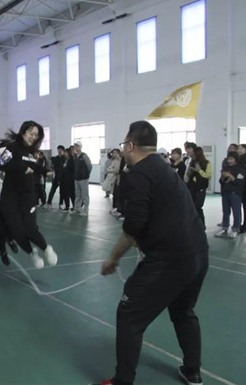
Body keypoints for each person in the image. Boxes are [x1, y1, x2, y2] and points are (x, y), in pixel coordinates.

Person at [98, 121, 209, 385]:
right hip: (198, 254)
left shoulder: (138, 173)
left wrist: (113, 258)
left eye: (124, 144)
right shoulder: (163, 167)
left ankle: (123, 381)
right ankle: (192, 371)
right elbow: (160, 211)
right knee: (183, 312)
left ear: (130, 145)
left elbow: (133, 225)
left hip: (169, 260)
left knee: (129, 314)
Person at [0, 121, 58, 269]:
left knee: (30, 229)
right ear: (23, 132)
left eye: (36, 135)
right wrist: (22, 168)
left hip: (28, 195)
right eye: (31, 133)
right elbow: (2, 164)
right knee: (17, 230)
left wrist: (45, 171)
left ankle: (46, 249)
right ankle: (32, 253)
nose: (33, 137)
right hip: (10, 195)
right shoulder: (12, 148)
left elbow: (34, 166)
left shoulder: (31, 152)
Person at [215, 151, 244, 238]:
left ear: (236, 159)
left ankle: (235, 228)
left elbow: (239, 182)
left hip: (235, 193)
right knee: (225, 212)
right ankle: (225, 228)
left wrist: (230, 176)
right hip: (226, 192)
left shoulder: (241, 169)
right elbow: (221, 181)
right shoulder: (226, 168)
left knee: (236, 212)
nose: (229, 161)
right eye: (228, 159)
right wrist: (223, 177)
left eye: (231, 159)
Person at [186, 147, 212, 228]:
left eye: (193, 154)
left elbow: (208, 176)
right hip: (191, 187)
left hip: (200, 188)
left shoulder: (207, 163)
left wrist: (199, 170)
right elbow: (188, 175)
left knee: (198, 206)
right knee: (191, 206)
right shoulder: (192, 162)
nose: (192, 155)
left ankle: (202, 226)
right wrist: (190, 170)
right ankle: (192, 225)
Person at [72, 140, 92, 216]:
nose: (76, 147)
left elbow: (89, 166)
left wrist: (86, 175)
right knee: (78, 195)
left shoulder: (84, 156)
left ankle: (85, 211)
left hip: (83, 179)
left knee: (85, 195)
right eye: (75, 146)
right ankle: (77, 209)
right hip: (76, 178)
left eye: (77, 146)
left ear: (80, 147)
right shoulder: (75, 156)